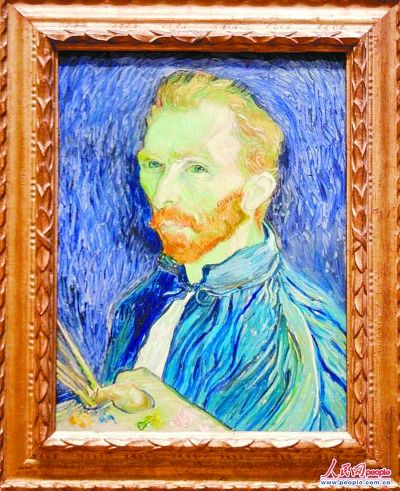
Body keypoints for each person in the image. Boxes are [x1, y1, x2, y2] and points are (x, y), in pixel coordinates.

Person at [94, 70, 345, 431]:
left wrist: (171, 417)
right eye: (154, 165)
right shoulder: (138, 306)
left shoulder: (299, 337)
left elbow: (315, 465)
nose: (163, 195)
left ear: (256, 191)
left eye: (197, 169)